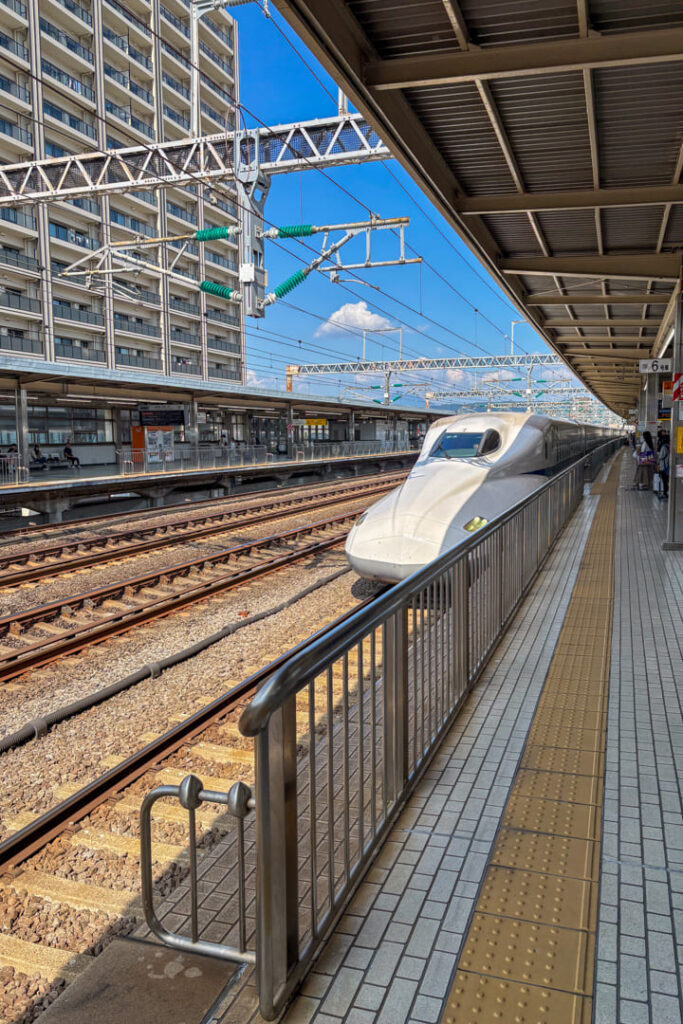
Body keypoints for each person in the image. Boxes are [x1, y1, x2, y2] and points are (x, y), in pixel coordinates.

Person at [658, 434, 670, 500]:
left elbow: (661, 457)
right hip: (668, 466)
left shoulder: (664, 447)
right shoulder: (669, 446)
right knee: (666, 480)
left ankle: (665, 493)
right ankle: (666, 492)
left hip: (664, 466)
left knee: (664, 480)